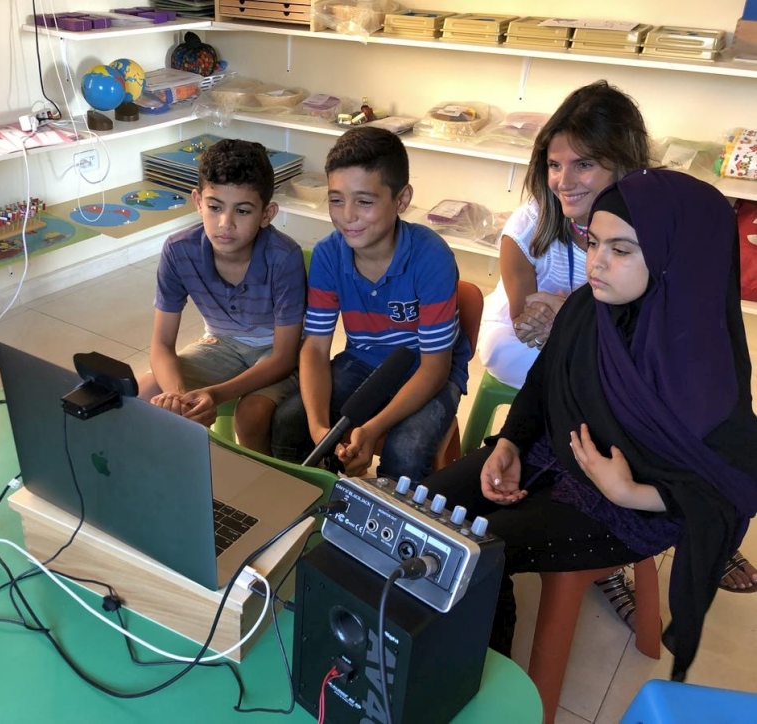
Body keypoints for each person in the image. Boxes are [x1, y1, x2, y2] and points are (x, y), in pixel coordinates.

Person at [421, 168, 757, 681]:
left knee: (482, 555)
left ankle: (482, 697)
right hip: (550, 454)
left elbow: (733, 486)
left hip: (627, 510)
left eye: (621, 250)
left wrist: (630, 494)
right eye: (593, 241)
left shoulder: (703, 366)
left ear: (675, 257)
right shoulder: (587, 309)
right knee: (419, 506)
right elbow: (541, 385)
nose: (595, 263)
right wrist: (510, 442)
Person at [271, 126, 471, 482]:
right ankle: (309, 515)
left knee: (406, 450)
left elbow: (435, 368)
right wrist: (320, 429)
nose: (347, 215)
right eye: (336, 199)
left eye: (364, 201)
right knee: (291, 420)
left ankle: (391, 531)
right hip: (364, 360)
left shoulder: (431, 257)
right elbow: (315, 348)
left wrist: (371, 427)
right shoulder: (329, 255)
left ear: (401, 199)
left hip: (429, 371)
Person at [136, 138, 306, 455]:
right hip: (221, 344)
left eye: (242, 210)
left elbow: (284, 357)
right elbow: (160, 344)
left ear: (267, 213)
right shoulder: (178, 249)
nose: (225, 224)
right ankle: (183, 484)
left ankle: (263, 486)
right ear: (198, 201)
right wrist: (178, 396)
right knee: (145, 391)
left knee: (251, 416)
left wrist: (213, 395)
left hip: (278, 353)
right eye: (214, 207)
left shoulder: (284, 257)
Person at [478, 80, 648, 389]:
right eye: (555, 165)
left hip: (605, 333)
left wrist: (571, 320)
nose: (564, 182)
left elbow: (650, 322)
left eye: (583, 164)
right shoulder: (526, 228)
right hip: (531, 342)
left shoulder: (652, 224)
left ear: (624, 163)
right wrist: (538, 322)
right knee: (581, 373)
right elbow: (522, 324)